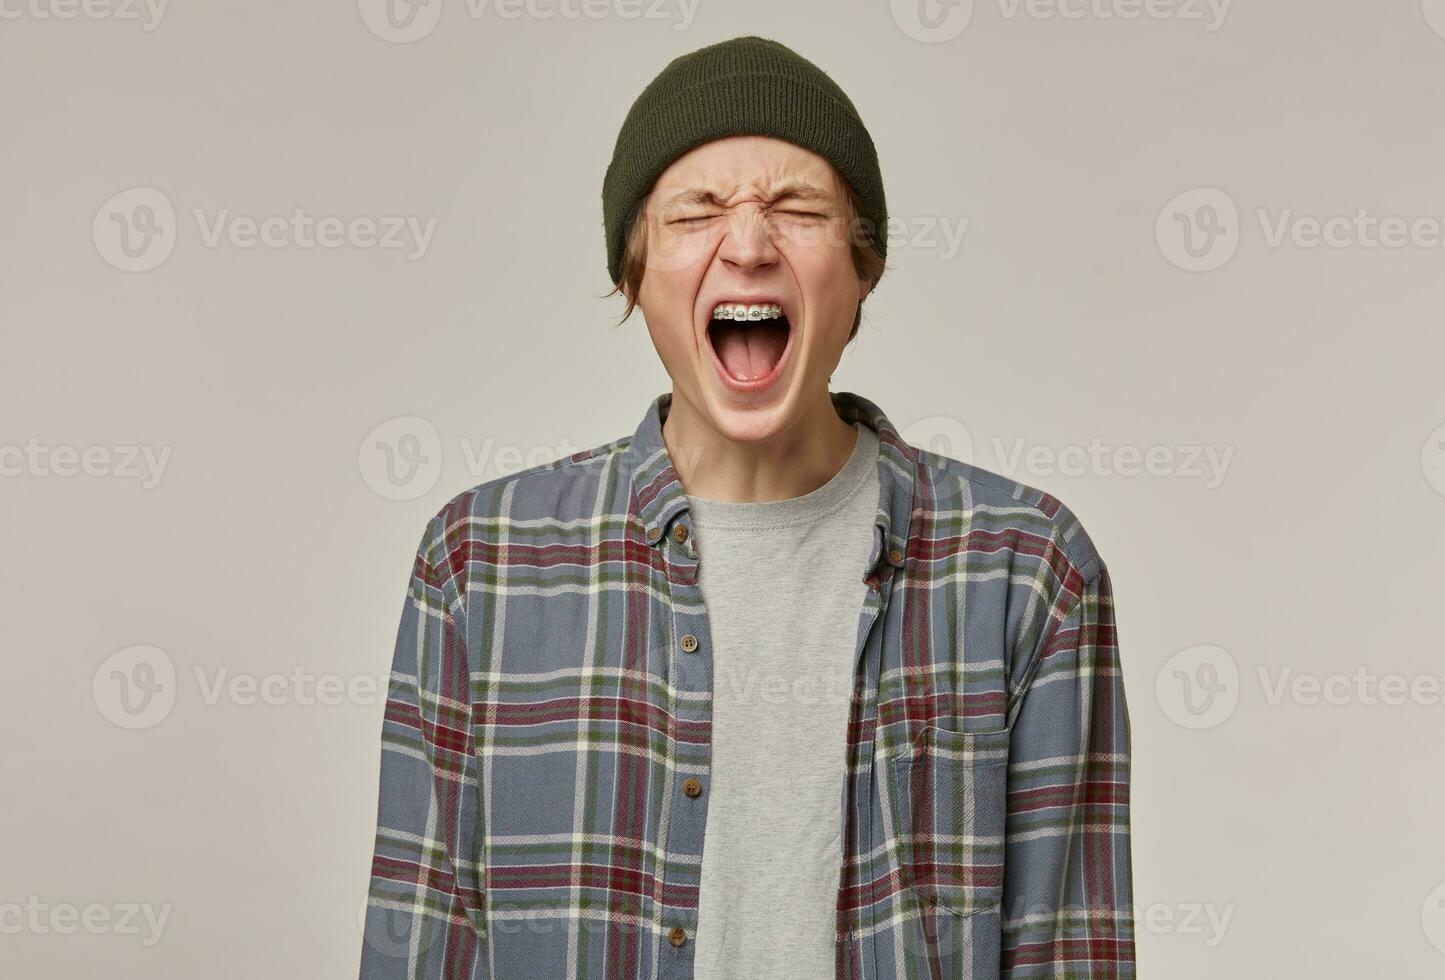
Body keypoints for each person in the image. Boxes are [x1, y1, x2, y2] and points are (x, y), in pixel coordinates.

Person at [359, 34, 1134, 980]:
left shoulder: (1027, 571)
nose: (752, 243)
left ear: (862, 273)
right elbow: (420, 948)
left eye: (799, 208)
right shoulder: (479, 565)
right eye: (698, 210)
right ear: (634, 272)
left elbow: (1068, 955)